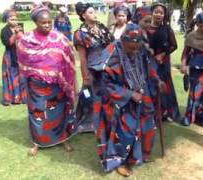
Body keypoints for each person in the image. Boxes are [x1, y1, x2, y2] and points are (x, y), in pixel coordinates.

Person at [95, 23, 162, 177]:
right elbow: (104, 83)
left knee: (148, 125)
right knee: (125, 132)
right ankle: (120, 162)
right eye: (130, 48)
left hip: (142, 92)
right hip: (120, 99)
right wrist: (129, 94)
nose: (134, 51)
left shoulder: (141, 49)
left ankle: (139, 156)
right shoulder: (111, 53)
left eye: (136, 47)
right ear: (123, 40)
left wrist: (157, 80)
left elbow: (148, 67)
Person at [16, 5, 78, 156]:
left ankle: (62, 138)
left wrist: (66, 79)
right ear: (36, 22)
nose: (47, 25)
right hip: (36, 87)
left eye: (49, 22)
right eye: (43, 23)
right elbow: (23, 62)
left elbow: (69, 60)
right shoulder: (26, 40)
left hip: (57, 85)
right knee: (37, 114)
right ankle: (38, 142)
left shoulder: (60, 38)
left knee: (59, 113)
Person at [74, 2, 114, 133]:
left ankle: (106, 120)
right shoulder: (80, 34)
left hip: (106, 67)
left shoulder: (102, 28)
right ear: (83, 15)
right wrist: (85, 75)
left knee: (107, 94)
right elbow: (83, 58)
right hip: (92, 69)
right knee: (91, 95)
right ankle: (88, 123)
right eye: (90, 12)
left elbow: (111, 45)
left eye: (94, 11)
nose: (94, 14)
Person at [147, 3, 180, 122]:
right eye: (156, 12)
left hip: (163, 61)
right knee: (151, 84)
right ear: (151, 13)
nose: (159, 15)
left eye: (161, 13)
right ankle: (153, 112)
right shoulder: (145, 28)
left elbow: (174, 45)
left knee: (164, 84)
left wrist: (162, 54)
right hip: (149, 61)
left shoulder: (167, 28)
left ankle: (167, 112)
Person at [0, 9, 27, 105]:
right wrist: (15, 34)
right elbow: (8, 43)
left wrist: (21, 33)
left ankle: (23, 97)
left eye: (15, 19)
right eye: (11, 19)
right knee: (11, 76)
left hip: (20, 55)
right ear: (6, 20)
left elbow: (24, 40)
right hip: (10, 56)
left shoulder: (20, 28)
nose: (14, 21)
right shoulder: (4, 31)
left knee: (22, 77)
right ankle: (13, 98)